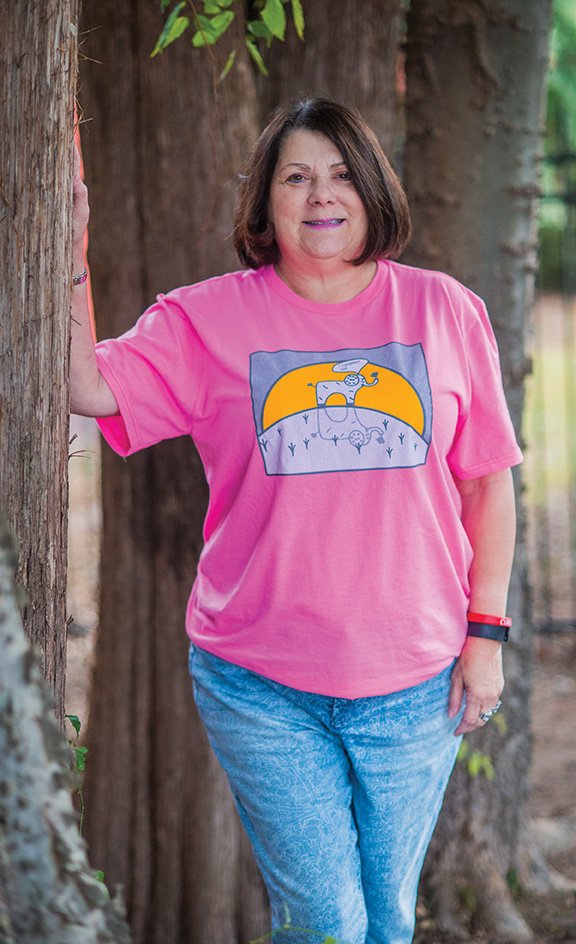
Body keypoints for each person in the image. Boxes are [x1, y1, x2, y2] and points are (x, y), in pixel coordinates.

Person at [71, 98, 522, 944]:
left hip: (416, 682)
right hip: (261, 681)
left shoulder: (443, 311)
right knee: (327, 922)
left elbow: (489, 484)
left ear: (374, 189)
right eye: (297, 177)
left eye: (343, 173)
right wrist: (68, 251)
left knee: (385, 921)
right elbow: (89, 387)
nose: (322, 194)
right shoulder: (205, 318)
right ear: (266, 201)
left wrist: (486, 634)